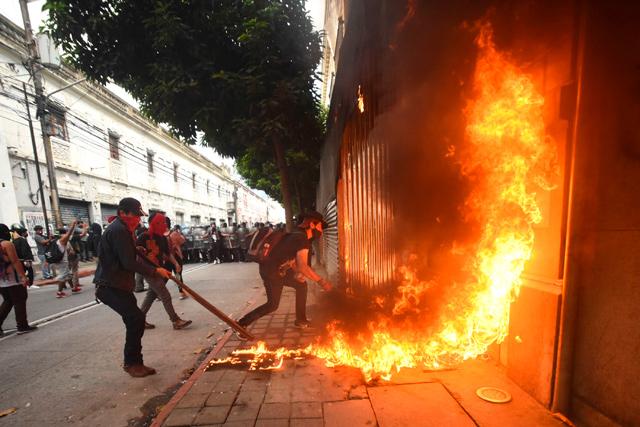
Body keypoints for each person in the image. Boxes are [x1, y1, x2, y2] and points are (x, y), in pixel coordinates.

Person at [94, 197, 172, 377]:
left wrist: (140, 252)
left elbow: (128, 253)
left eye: (139, 215)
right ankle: (133, 363)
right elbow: (128, 262)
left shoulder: (124, 229)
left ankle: (133, 361)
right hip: (110, 286)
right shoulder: (119, 230)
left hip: (119, 285)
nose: (138, 219)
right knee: (136, 319)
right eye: (135, 215)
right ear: (123, 213)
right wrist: (155, 271)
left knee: (134, 320)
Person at [237, 211, 334, 331]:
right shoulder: (301, 238)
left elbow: (291, 258)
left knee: (301, 285)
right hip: (272, 273)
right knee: (272, 305)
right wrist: (322, 282)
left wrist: (297, 273)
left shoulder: (297, 235)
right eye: (320, 226)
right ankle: (241, 325)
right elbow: (303, 266)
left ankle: (301, 320)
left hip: (276, 270)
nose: (321, 230)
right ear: (312, 225)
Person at [136, 212, 192, 330]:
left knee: (151, 294)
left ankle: (139, 320)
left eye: (164, 223)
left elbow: (168, 254)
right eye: (160, 223)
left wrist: (176, 264)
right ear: (152, 224)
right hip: (149, 270)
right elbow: (136, 255)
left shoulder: (162, 238)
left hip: (159, 269)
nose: (163, 225)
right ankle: (175, 320)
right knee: (165, 295)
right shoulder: (143, 237)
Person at [0, 224, 37, 336]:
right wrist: (23, 276)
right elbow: (15, 261)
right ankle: (22, 326)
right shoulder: (6, 244)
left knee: (8, 301)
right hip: (12, 278)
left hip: (1, 279)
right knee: (20, 300)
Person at [52, 221, 84, 298]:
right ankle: (59, 292)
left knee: (68, 274)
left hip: (58, 260)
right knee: (63, 276)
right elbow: (69, 234)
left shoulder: (55, 240)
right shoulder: (63, 240)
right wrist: (73, 226)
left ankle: (73, 288)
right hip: (63, 261)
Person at [167, 222, 187, 299]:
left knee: (165, 277)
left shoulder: (159, 235)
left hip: (166, 259)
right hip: (175, 256)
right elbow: (183, 240)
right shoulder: (175, 234)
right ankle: (182, 292)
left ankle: (157, 294)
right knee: (178, 275)